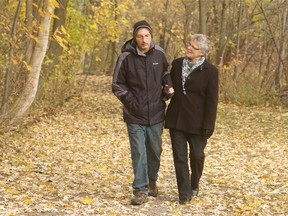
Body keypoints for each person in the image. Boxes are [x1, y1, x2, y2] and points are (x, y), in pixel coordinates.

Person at [112, 20, 174, 205]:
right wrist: (132, 102)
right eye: (140, 36)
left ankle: (152, 182)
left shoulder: (160, 53)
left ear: (151, 37)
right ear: (134, 37)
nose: (144, 39)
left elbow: (166, 75)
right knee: (138, 152)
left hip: (156, 113)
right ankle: (140, 189)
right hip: (134, 115)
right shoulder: (125, 57)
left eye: (147, 36)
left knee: (155, 151)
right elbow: (117, 85)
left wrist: (167, 88)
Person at [165, 34, 219, 205]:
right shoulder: (177, 64)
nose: (189, 48)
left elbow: (212, 100)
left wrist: (209, 125)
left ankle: (194, 184)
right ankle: (184, 192)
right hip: (177, 119)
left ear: (202, 53)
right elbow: (169, 85)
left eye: (193, 47)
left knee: (197, 156)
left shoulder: (211, 71)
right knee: (179, 157)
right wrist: (167, 91)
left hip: (198, 122)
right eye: (189, 45)